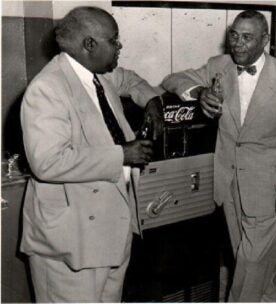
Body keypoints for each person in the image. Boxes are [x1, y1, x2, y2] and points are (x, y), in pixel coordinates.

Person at [162, 10, 276, 302]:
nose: (237, 44)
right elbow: (172, 79)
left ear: (265, 40)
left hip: (269, 185)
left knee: (251, 262)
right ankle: (273, 298)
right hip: (228, 181)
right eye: (234, 35)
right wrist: (200, 91)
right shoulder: (219, 65)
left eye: (247, 37)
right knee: (250, 259)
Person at [20, 6, 164, 302]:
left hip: (112, 234)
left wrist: (153, 102)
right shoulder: (48, 88)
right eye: (114, 41)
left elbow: (132, 80)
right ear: (89, 45)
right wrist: (121, 155)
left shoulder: (100, 77)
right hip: (72, 244)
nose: (119, 47)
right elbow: (48, 162)